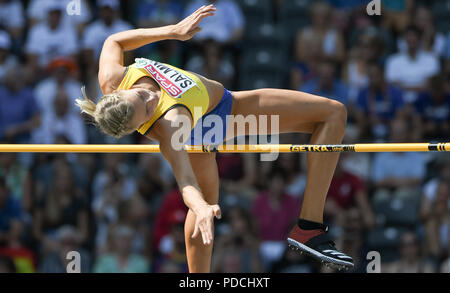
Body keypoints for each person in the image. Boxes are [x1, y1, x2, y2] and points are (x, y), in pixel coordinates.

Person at [76, 5, 353, 272]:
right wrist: (202, 207)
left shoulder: (112, 77)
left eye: (141, 95)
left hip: (232, 102)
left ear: (116, 91)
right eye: (147, 110)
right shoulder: (170, 125)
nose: (151, 98)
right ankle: (305, 229)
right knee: (203, 207)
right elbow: (186, 182)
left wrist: (173, 30)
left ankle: (307, 228)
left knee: (333, 114)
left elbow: (114, 40)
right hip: (214, 124)